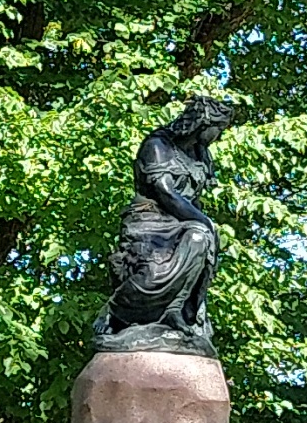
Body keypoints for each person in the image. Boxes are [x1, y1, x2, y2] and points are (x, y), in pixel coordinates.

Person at [92, 98, 231, 356]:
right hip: (149, 220)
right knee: (154, 274)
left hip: (182, 221)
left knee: (199, 240)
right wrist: (204, 221)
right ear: (203, 124)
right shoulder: (157, 146)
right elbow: (166, 194)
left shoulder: (200, 154)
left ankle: (174, 312)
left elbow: (193, 198)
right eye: (218, 128)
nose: (219, 136)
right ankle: (115, 310)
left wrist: (203, 225)